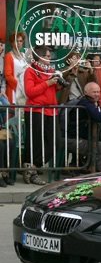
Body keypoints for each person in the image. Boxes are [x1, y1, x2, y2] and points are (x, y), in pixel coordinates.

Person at [23, 45, 64, 185]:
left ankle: (33, 167)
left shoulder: (50, 71)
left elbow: (52, 91)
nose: (49, 58)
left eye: (49, 56)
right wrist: (47, 83)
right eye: (46, 56)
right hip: (35, 110)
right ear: (38, 57)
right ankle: (31, 171)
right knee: (35, 143)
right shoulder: (30, 71)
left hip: (50, 110)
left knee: (56, 142)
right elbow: (30, 92)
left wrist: (58, 83)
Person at [67, 82, 101, 172]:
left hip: (82, 138)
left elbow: (100, 115)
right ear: (86, 92)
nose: (97, 94)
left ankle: (91, 168)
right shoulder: (86, 103)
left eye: (98, 92)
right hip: (73, 140)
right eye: (94, 92)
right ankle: (100, 173)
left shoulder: (91, 102)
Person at [3, 32, 27, 105]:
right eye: (16, 41)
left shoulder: (24, 55)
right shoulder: (8, 56)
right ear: (12, 43)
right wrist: (20, 87)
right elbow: (8, 76)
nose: (19, 43)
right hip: (14, 90)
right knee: (14, 114)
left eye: (20, 41)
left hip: (25, 90)